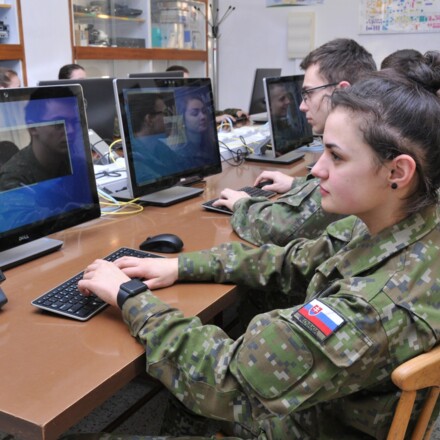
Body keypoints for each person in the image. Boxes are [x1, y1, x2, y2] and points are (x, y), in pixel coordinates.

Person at [77, 68, 440, 439]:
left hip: (305, 425)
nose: (317, 169)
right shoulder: (408, 221)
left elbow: (224, 378)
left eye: (336, 156)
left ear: (397, 172)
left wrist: (130, 297)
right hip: (331, 405)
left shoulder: (371, 309)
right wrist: (181, 265)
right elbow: (292, 260)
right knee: (185, 385)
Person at [214, 38, 377, 246]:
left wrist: (242, 203)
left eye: (308, 94)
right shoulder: (372, 133)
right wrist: (295, 184)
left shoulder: (359, 150)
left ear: (342, 92)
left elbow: (280, 229)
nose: (301, 106)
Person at [0, 88, 77, 190]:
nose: (71, 130)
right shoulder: (13, 179)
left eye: (74, 122)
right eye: (58, 123)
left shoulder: (74, 160)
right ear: (33, 128)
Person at [126, 92, 184, 184]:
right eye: (166, 113)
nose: (170, 118)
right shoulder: (135, 157)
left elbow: (187, 167)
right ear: (149, 119)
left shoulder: (159, 147)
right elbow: (160, 184)